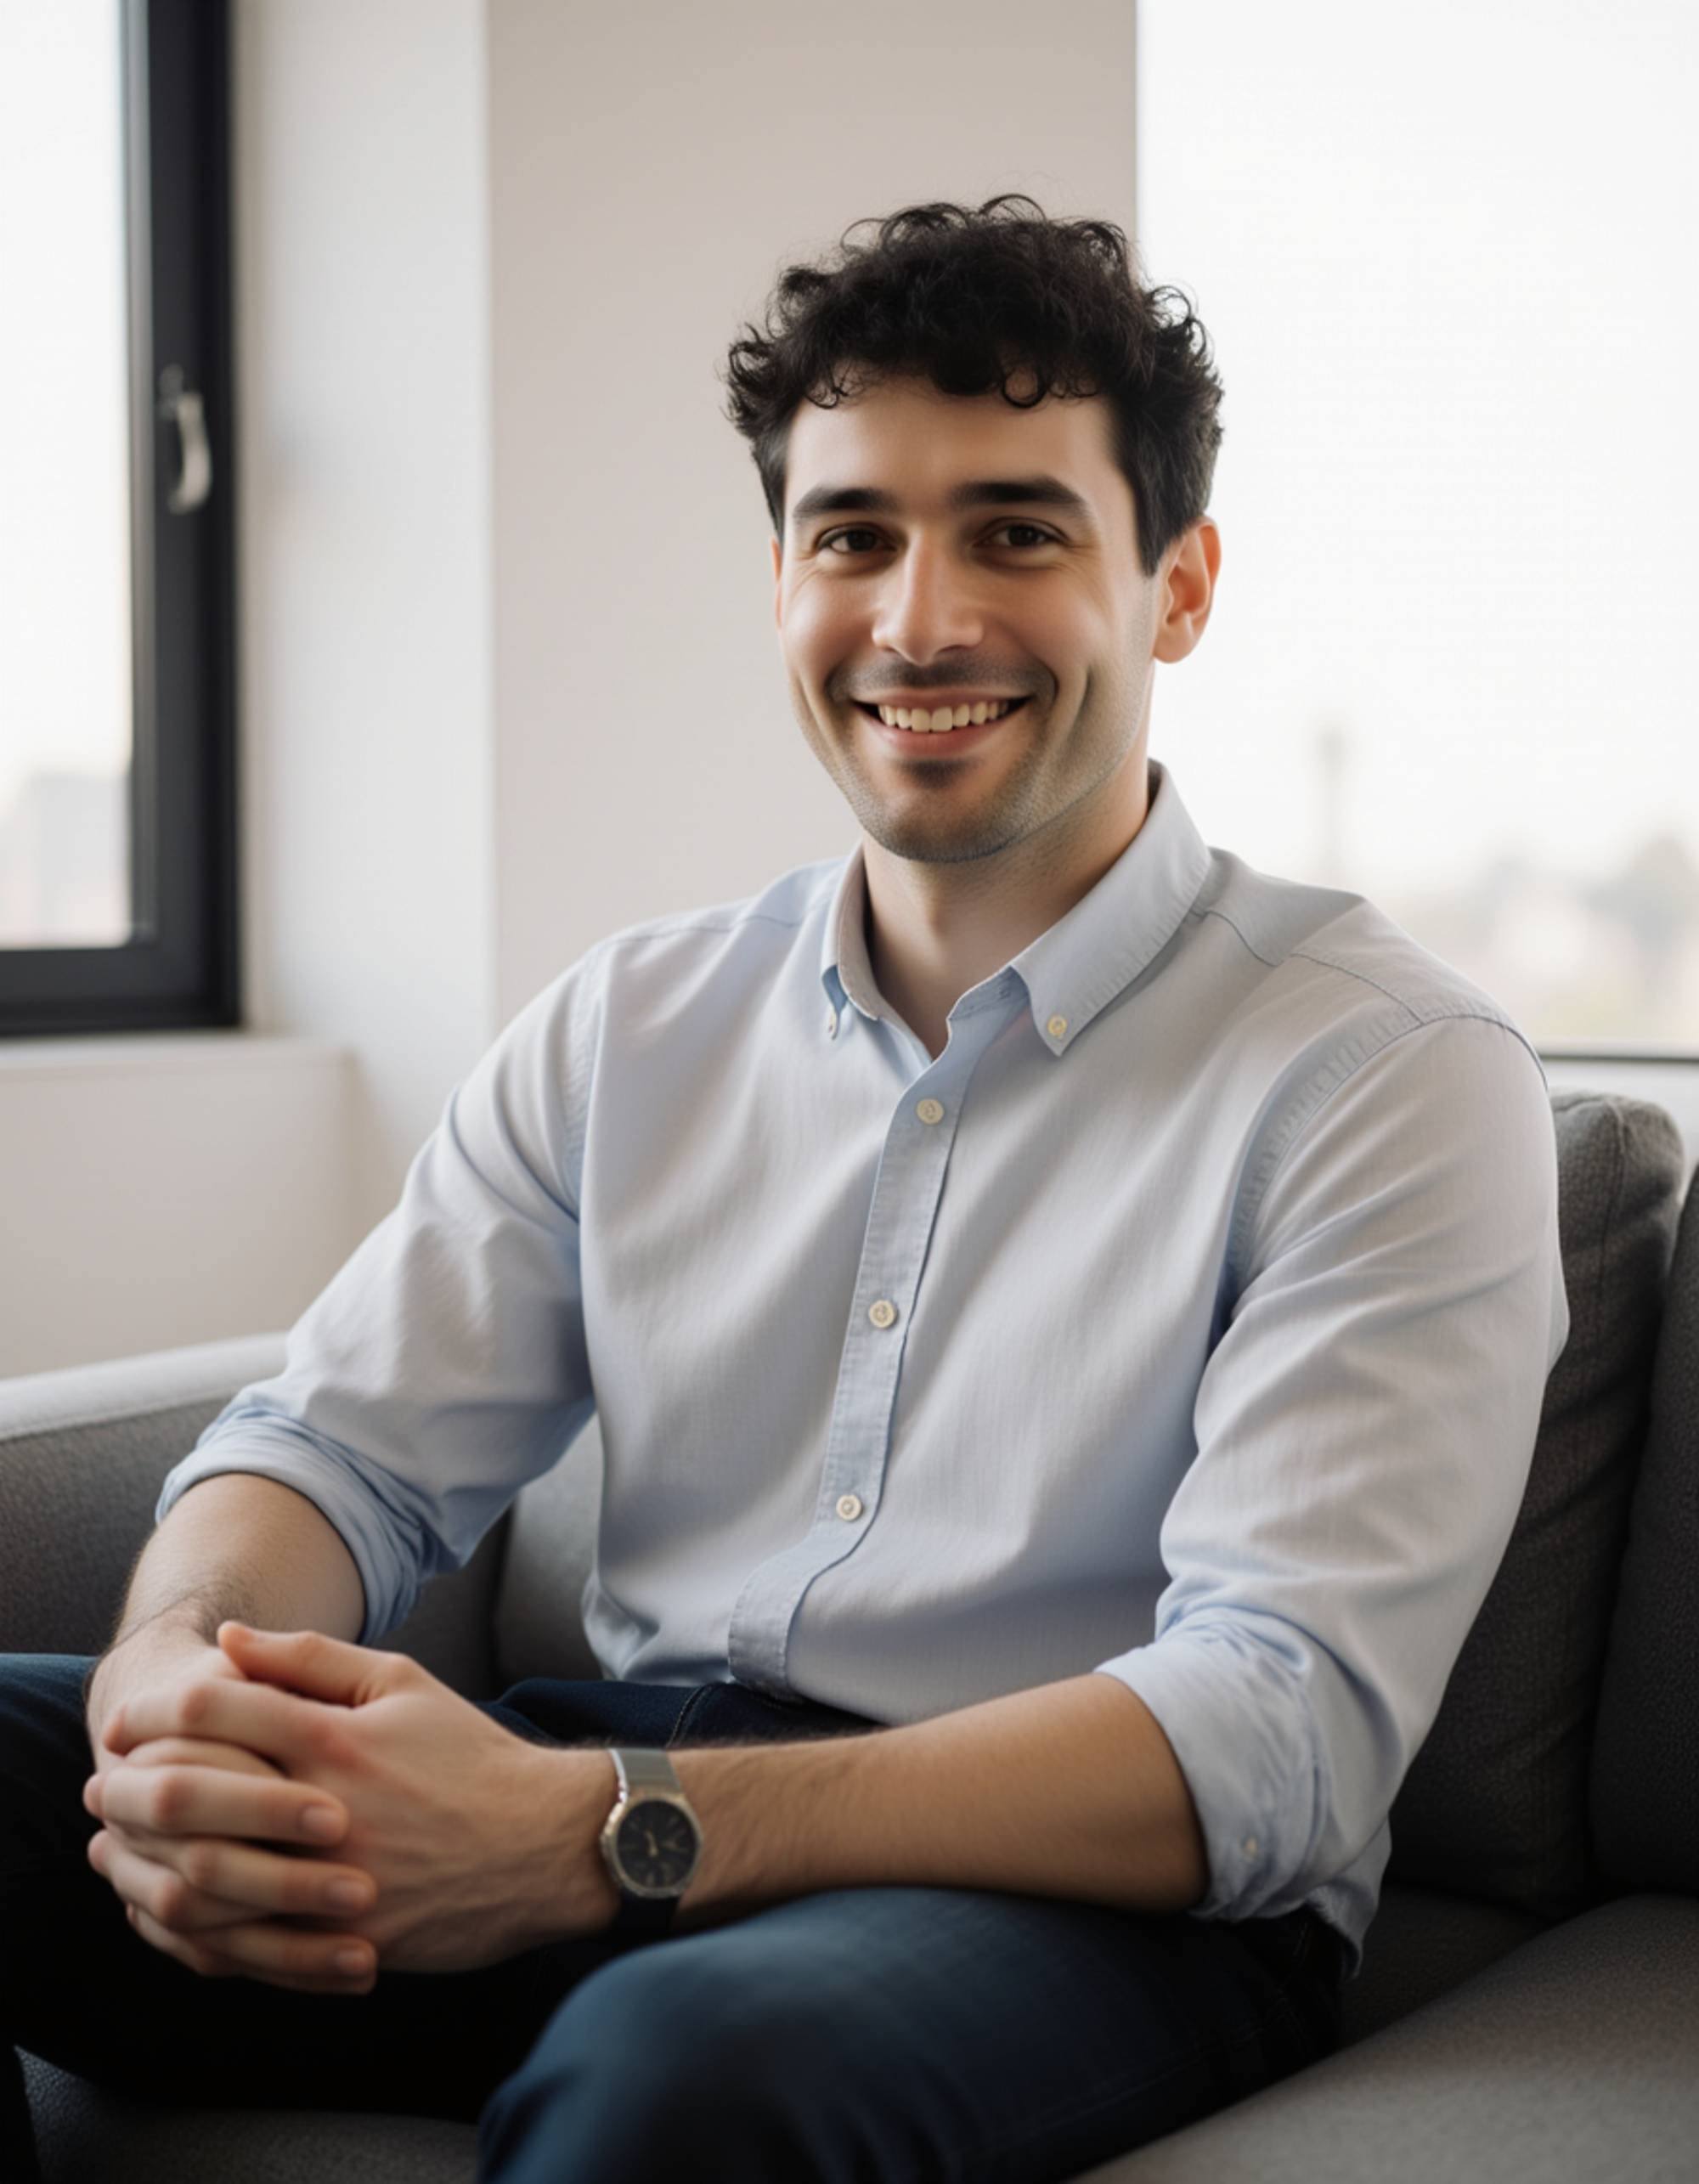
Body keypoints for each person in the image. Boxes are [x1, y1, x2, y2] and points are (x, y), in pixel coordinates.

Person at [1, 194, 1569, 2183]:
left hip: (1077, 1905)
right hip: (597, 1785)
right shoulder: (629, 1019)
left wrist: (582, 1834)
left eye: (1017, 529)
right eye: (853, 536)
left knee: (688, 2073)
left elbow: (1276, 1732)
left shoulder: (1389, 1071)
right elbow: (333, 1452)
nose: (921, 619)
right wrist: (173, 1690)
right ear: (777, 583)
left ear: (1176, 586)